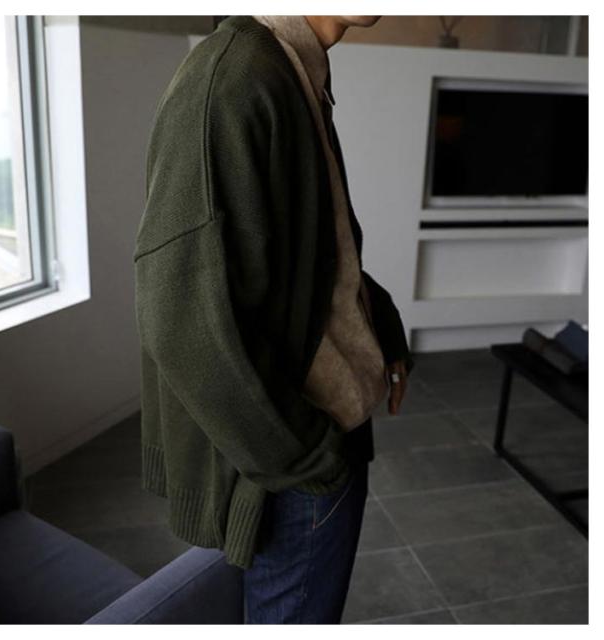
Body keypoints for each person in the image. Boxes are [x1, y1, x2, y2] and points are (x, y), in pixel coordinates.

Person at [133, 15, 413, 625]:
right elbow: (179, 316)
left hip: (315, 435)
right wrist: (304, 459)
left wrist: (382, 323)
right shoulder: (233, 78)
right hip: (295, 458)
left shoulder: (292, 64)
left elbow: (311, 255)